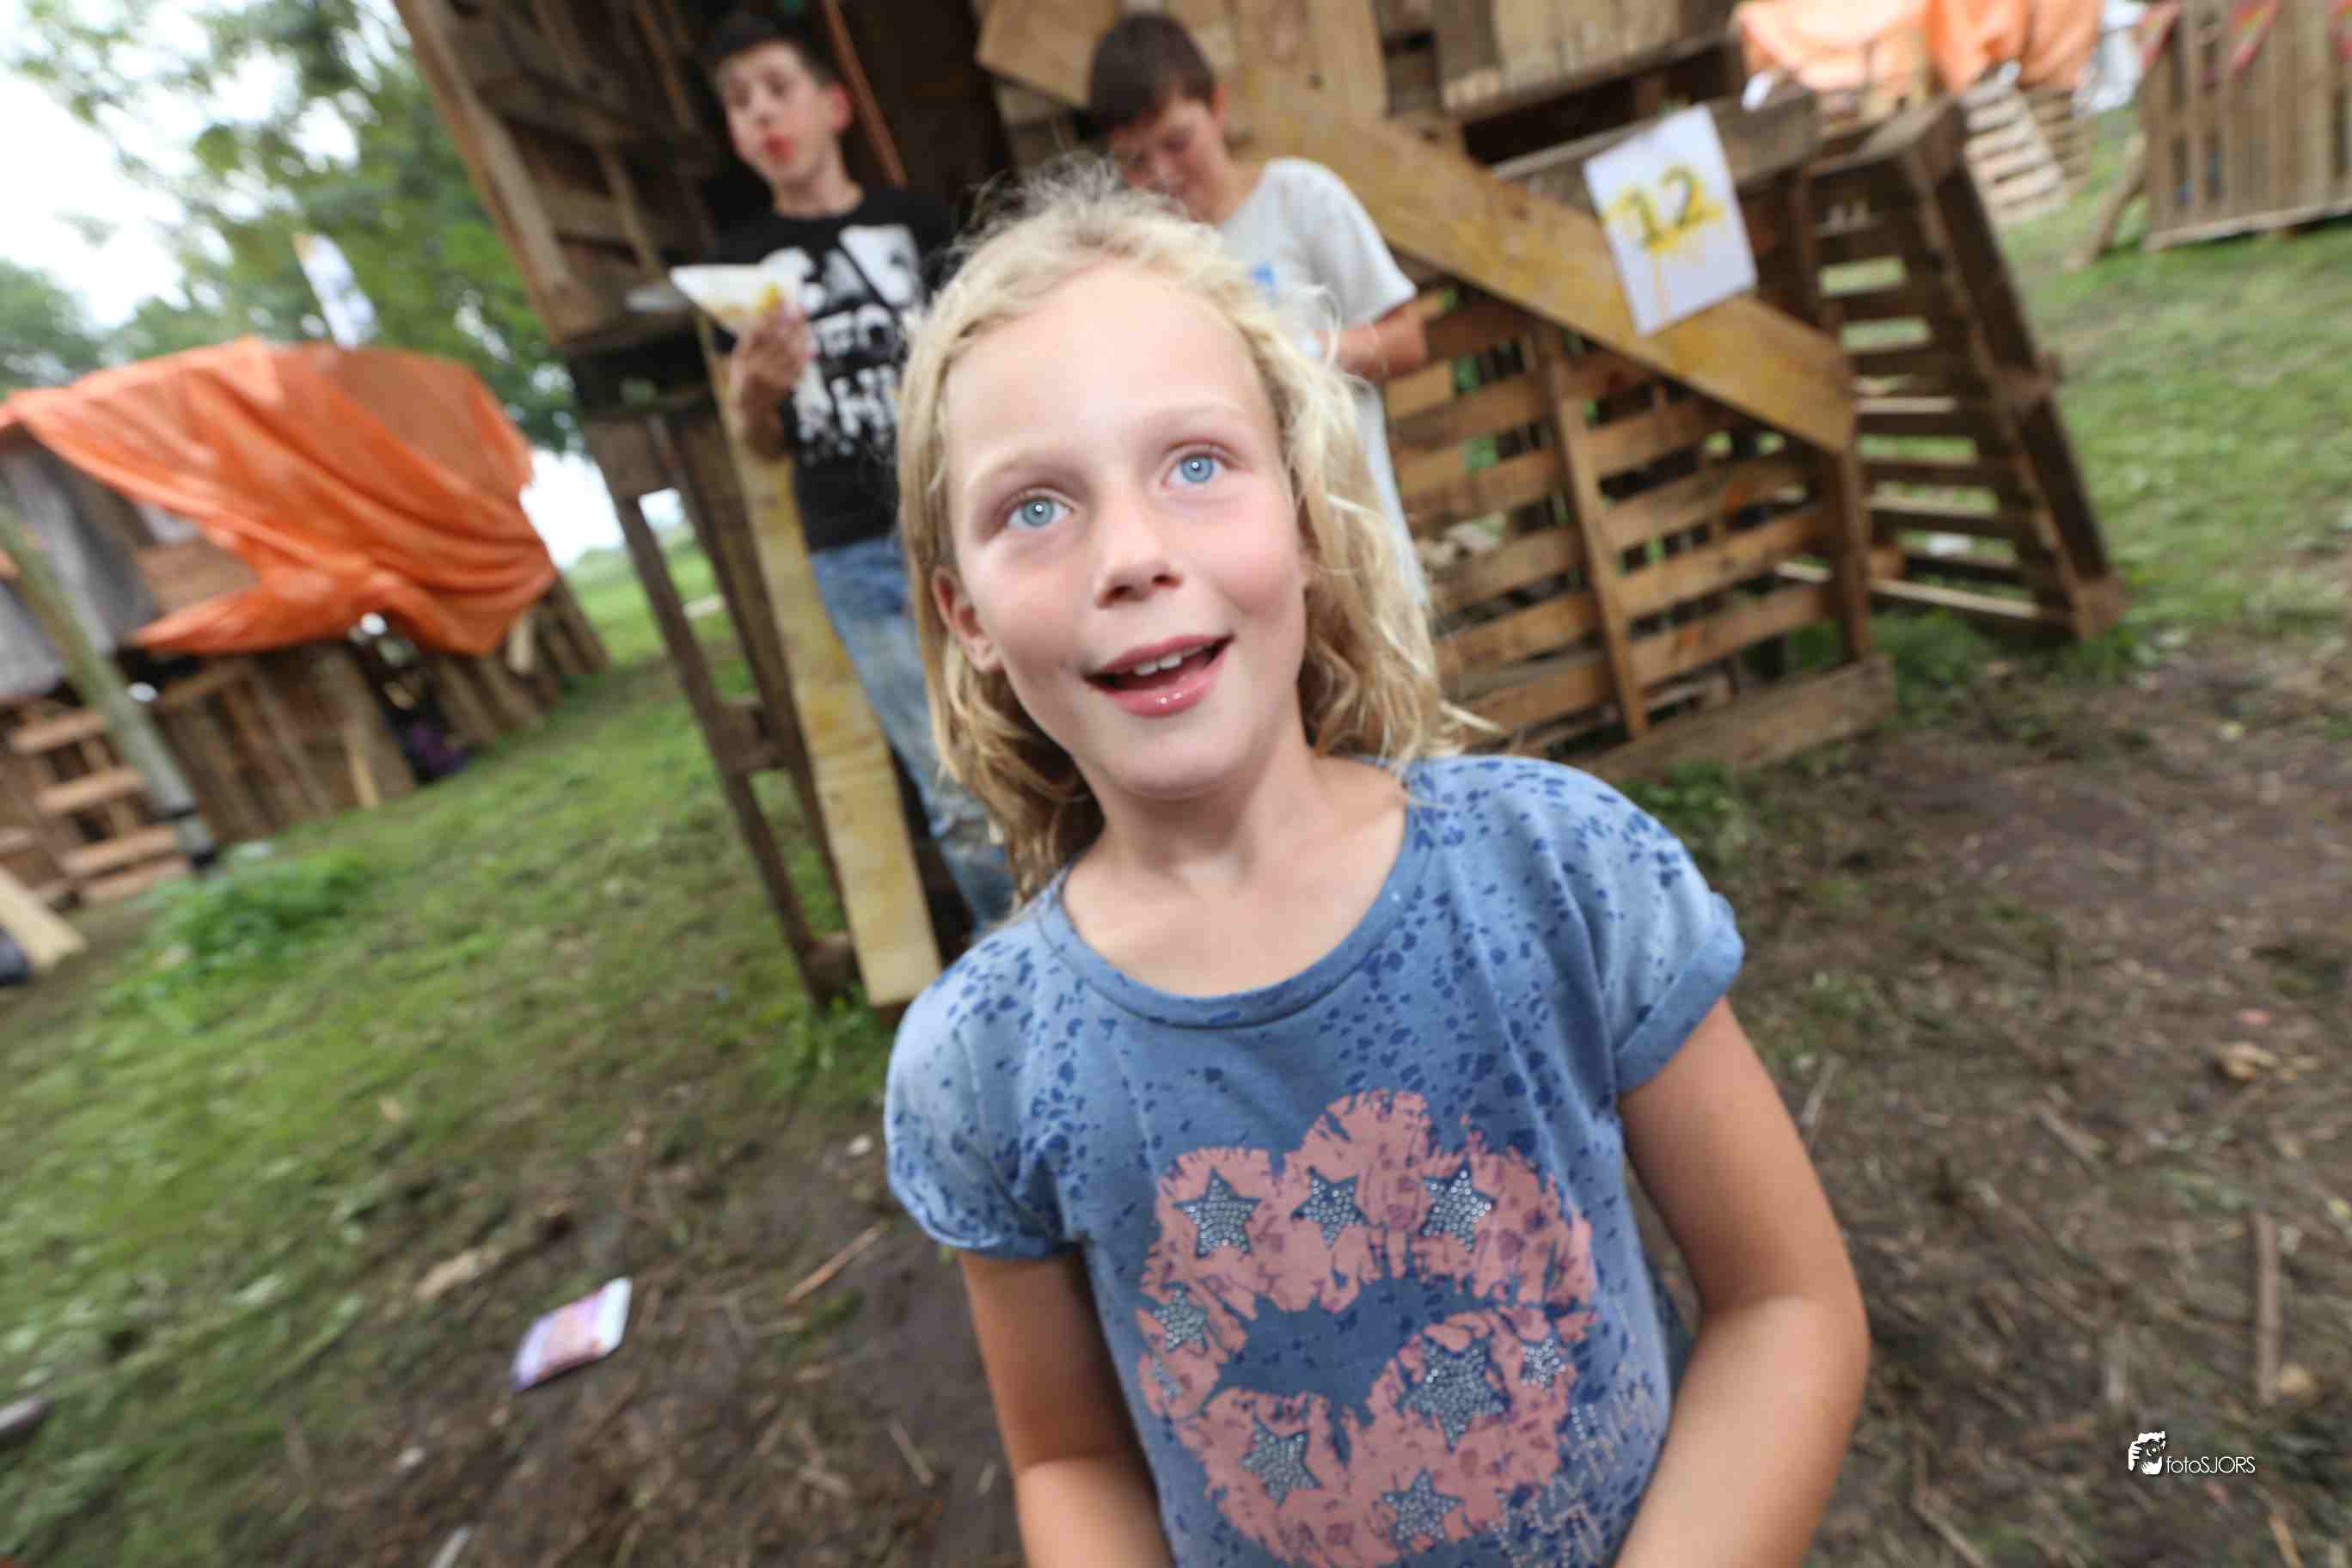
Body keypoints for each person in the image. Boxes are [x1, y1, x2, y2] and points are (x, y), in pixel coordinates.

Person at [883, 162, 1869, 1566]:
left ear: (1302, 514)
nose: (1133, 553)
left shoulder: (1559, 873)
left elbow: (1786, 1304)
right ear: (965, 614)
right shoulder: (979, 1068)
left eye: (1196, 464)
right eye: (1034, 506)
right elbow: (1068, 1460)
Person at [700, 9, 1015, 928]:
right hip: (854, 551)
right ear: (734, 134)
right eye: (740, 102)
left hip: (958, 522)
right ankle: (1019, 967)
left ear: (834, 105)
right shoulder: (735, 271)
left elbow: (979, 373)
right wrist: (752, 395)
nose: (762, 112)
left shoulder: (916, 223)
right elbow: (763, 444)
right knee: (953, 789)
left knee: (1039, 736)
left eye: (778, 88)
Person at [1089, 12, 1434, 606]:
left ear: (1218, 107)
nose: (1163, 173)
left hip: (1358, 546)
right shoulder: (1142, 263)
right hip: (1233, 576)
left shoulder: (1300, 199)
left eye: (1177, 141)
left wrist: (1303, 355)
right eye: (1135, 161)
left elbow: (1408, 339)